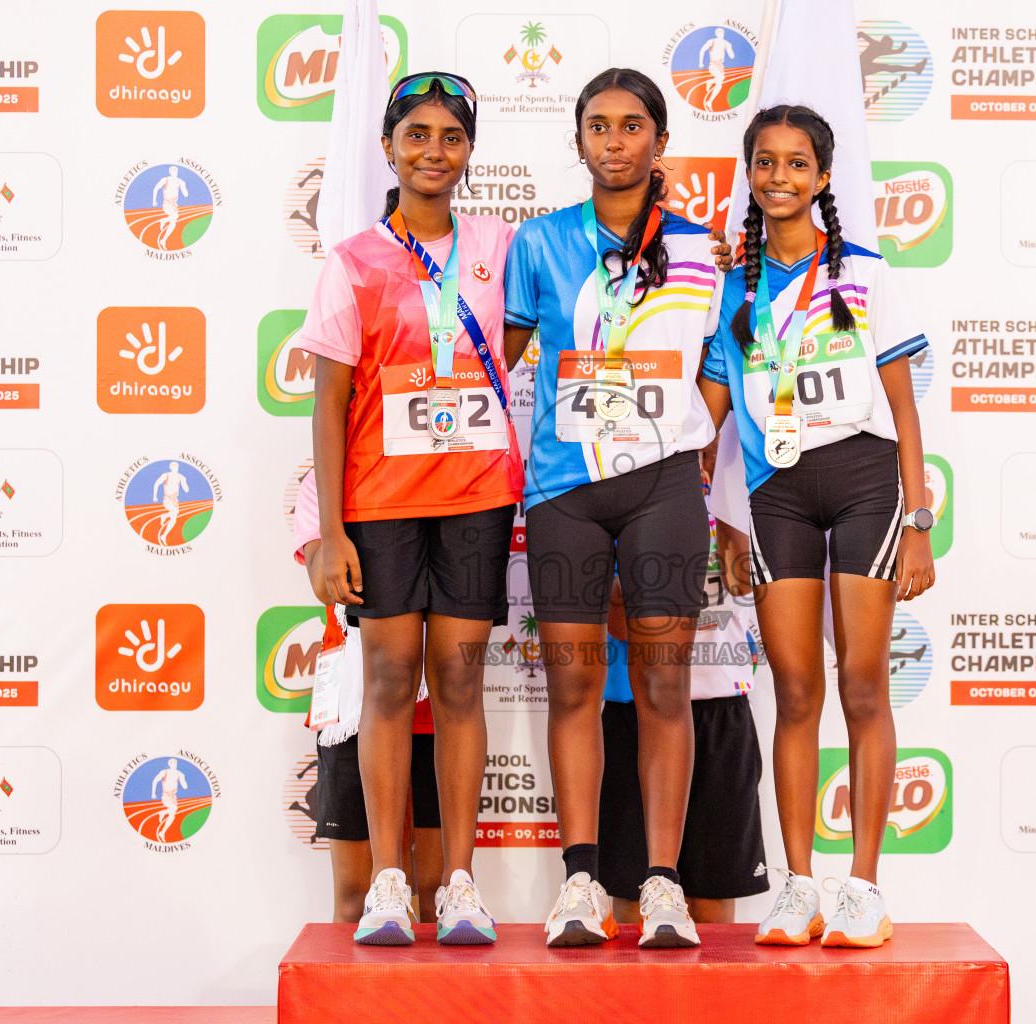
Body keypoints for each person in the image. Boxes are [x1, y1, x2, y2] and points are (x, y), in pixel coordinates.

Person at [698, 104, 935, 949]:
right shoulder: (735, 288)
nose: (780, 178)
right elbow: (710, 420)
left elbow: (906, 414)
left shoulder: (866, 274)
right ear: (750, 174)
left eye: (798, 164)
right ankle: (797, 888)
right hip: (777, 495)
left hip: (868, 483)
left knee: (862, 685)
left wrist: (920, 522)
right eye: (764, 163)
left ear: (823, 178)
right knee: (795, 693)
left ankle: (864, 887)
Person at [503, 67, 724, 949]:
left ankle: (663, 884)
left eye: (633, 126)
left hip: (666, 488)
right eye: (598, 126)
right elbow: (493, 360)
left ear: (659, 141)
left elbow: (723, 366)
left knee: (666, 683)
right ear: (580, 140)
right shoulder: (539, 241)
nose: (614, 140)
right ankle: (582, 882)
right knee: (575, 685)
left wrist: (672, 435)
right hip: (564, 492)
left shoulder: (705, 249)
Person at [302, 71, 522, 946]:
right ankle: (391, 880)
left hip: (475, 496)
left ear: (470, 151)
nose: (435, 151)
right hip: (383, 502)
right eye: (417, 135)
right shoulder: (354, 259)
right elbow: (326, 401)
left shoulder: (500, 245)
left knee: (462, 681)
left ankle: (460, 883)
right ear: (389, 147)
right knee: (392, 681)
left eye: (452, 137)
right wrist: (330, 530)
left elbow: (600, 270)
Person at [598, 449, 768, 928]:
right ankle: (635, 1005)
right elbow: (616, 620)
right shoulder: (623, 471)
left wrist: (725, 512)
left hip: (721, 704)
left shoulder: (740, 470)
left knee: (715, 899)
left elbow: (747, 584)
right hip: (635, 704)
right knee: (633, 903)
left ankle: (713, 1006)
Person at [291, 468, 444, 928]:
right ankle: (348, 1000)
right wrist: (353, 521)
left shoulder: (435, 473)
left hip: (432, 709)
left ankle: (438, 1002)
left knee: (436, 893)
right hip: (352, 706)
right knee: (355, 896)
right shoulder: (321, 484)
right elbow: (325, 584)